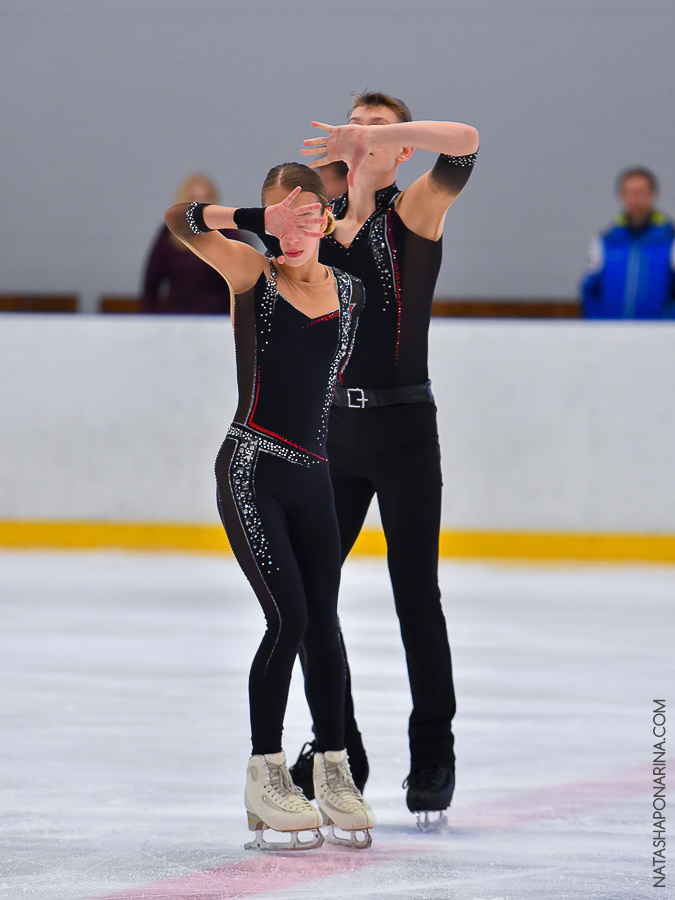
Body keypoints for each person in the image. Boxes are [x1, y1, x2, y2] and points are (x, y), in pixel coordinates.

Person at [164, 162, 375, 850]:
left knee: (325, 625)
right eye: (278, 215)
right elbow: (178, 220)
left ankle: (334, 769)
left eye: (304, 213)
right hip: (252, 468)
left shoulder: (351, 291)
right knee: (287, 618)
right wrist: (255, 223)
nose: (291, 226)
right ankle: (266, 772)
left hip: (314, 477)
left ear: (326, 217)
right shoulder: (252, 276)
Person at [283, 92, 479, 830]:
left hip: (403, 430)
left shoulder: (415, 212)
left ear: (402, 149)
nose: (361, 136)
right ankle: (341, 750)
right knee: (308, 598)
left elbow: (464, 140)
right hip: (328, 433)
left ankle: (433, 755)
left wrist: (380, 135)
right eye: (354, 125)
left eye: (379, 129)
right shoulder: (318, 227)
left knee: (414, 593)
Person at [143, 173, 249, 314]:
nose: (199, 205)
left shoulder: (229, 235)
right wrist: (149, 321)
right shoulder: (168, 235)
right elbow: (151, 288)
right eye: (192, 199)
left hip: (218, 319)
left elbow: (245, 285)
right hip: (176, 318)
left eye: (206, 198)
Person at [581, 167, 675, 319]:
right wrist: (596, 323)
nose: (635, 198)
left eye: (640, 192)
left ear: (653, 194)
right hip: (611, 329)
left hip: (658, 330)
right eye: (629, 192)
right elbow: (590, 289)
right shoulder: (606, 241)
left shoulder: (669, 240)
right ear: (621, 195)